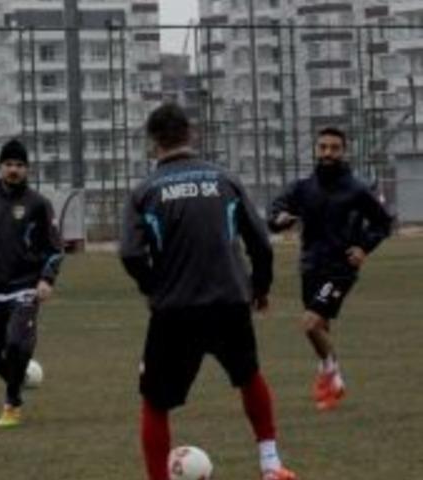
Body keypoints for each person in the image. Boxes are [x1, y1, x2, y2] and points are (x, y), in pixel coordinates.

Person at [120, 103, 296, 480]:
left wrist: (154, 288)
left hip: (175, 310)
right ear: (191, 133)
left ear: (153, 143)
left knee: (155, 402)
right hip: (230, 301)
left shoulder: (144, 191)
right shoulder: (225, 180)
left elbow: (131, 253)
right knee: (249, 376)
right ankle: (271, 465)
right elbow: (260, 244)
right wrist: (259, 287)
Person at [268, 127, 392, 411]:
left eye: (334, 148)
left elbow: (382, 222)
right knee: (320, 327)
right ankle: (331, 385)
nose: (327, 153)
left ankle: (332, 372)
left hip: (340, 269)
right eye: (323, 147)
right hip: (311, 265)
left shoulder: (356, 189)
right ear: (316, 149)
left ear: (343, 151)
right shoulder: (304, 187)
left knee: (310, 324)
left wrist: (363, 247)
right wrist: (280, 219)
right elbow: (275, 210)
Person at [0, 138, 64, 428]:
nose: (14, 170)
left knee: (17, 343)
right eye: (9, 164)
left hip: (25, 287)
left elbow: (55, 248)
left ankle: (12, 402)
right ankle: (18, 377)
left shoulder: (38, 204)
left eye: (19, 165)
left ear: (27, 170)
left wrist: (47, 279)